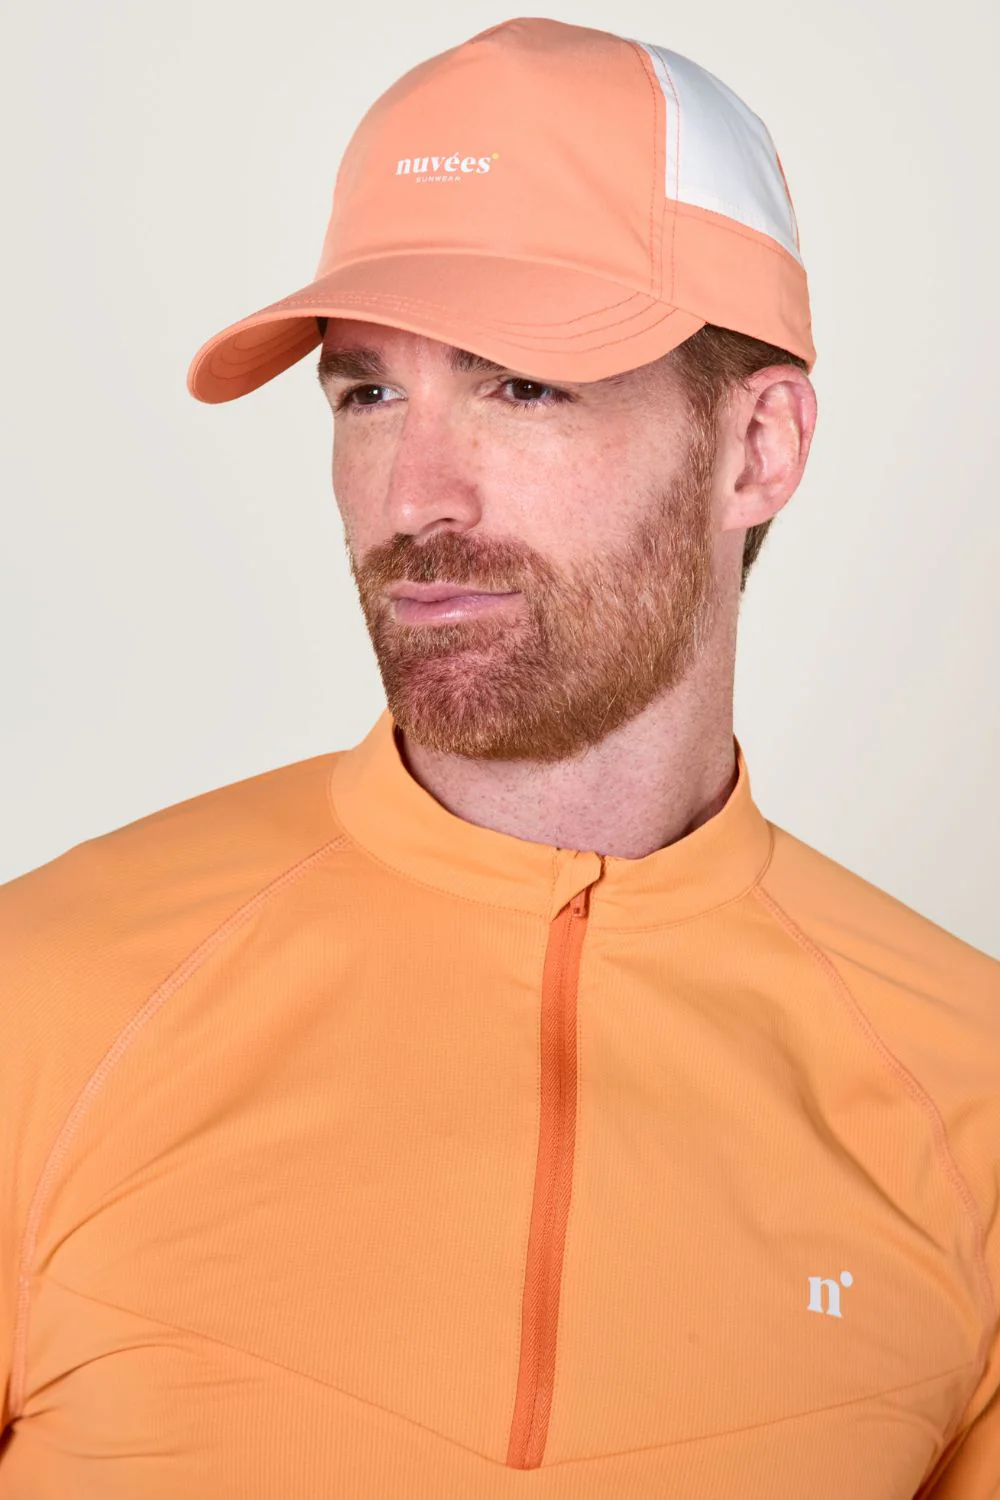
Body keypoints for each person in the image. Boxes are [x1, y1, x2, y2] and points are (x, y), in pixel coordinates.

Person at [0, 17, 996, 1499]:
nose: (415, 496)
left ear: (759, 447)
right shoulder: (41, 1003)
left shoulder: (968, 1096)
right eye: (368, 392)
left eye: (522, 386)